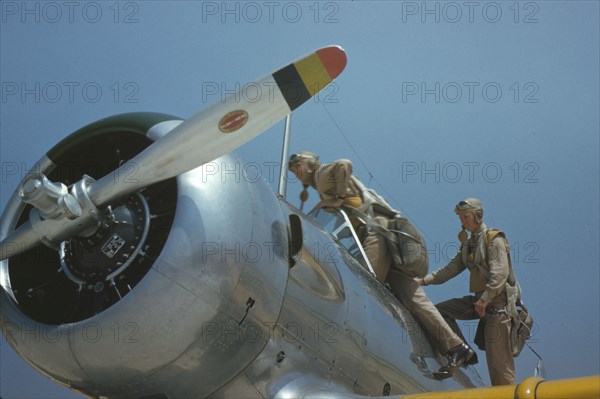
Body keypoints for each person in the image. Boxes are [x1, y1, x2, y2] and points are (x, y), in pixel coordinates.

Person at [288, 152, 474, 374]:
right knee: (412, 296)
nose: (297, 174)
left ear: (309, 164)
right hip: (388, 239)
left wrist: (332, 199)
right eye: (293, 171)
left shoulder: (320, 174)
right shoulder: (321, 180)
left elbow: (344, 165)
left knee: (360, 286)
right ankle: (456, 346)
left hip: (375, 236)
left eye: (297, 167)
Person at [418, 198, 516, 386]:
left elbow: (500, 273)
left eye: (466, 216)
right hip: (479, 302)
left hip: (497, 307)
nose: (463, 222)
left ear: (478, 215)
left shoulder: (494, 239)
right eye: (461, 218)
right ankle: (461, 351)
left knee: (499, 370)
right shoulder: (468, 246)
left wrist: (485, 299)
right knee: (439, 312)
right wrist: (422, 281)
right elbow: (449, 270)